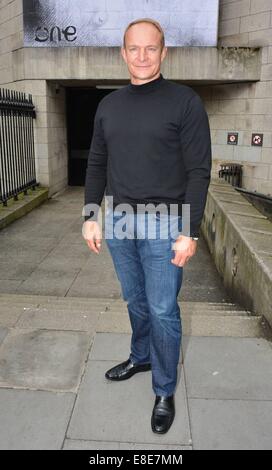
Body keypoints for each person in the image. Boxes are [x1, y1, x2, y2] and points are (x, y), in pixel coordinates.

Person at [83, 18, 211, 434]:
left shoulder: (184, 101)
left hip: (165, 222)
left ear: (163, 52)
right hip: (120, 219)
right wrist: (91, 216)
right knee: (135, 301)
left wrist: (189, 232)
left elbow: (198, 171)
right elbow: (97, 163)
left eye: (150, 48)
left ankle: (164, 388)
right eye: (133, 49)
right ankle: (141, 356)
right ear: (123, 53)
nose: (141, 56)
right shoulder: (109, 105)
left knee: (162, 310)